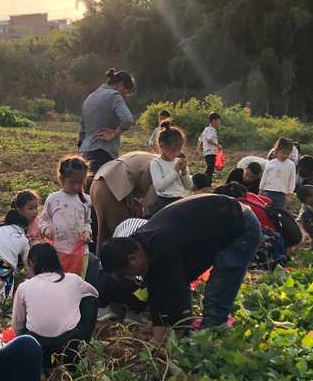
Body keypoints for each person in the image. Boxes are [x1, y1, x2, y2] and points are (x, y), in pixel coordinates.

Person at [98, 194, 261, 342]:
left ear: (132, 259)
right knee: (171, 292)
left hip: (240, 224)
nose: (131, 278)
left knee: (217, 293)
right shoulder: (143, 248)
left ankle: (209, 344)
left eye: (127, 274)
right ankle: (201, 340)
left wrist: (179, 335)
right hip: (215, 220)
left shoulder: (163, 247)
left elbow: (179, 293)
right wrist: (157, 341)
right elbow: (157, 297)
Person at [13, 243, 99, 368]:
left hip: (37, 347)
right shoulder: (74, 280)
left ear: (31, 263)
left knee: (26, 312)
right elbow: (94, 294)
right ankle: (81, 350)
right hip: (70, 347)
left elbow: (17, 325)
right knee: (89, 301)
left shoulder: (24, 287)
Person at [89, 150, 156, 245]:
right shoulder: (159, 166)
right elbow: (150, 204)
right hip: (112, 184)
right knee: (122, 240)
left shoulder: (150, 157)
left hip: (99, 179)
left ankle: (100, 259)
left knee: (103, 233)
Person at [78, 68, 136, 176]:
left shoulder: (90, 97)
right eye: (126, 92)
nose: (125, 97)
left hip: (84, 152)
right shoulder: (114, 96)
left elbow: (82, 128)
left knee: (87, 189)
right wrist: (114, 133)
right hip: (103, 152)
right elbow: (128, 119)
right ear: (121, 84)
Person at [40, 155, 92, 274]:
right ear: (62, 179)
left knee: (75, 281)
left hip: (79, 253)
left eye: (80, 182)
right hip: (57, 250)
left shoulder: (86, 200)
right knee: (56, 278)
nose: (77, 186)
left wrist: (87, 232)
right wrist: (46, 229)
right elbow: (44, 219)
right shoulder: (53, 199)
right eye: (73, 183)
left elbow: (87, 222)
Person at [149, 122, 190, 214]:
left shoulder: (179, 161)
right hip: (165, 202)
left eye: (179, 149)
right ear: (161, 145)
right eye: (173, 149)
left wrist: (184, 172)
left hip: (181, 200)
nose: (176, 153)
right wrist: (175, 171)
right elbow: (160, 186)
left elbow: (188, 186)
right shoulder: (156, 163)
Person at [259, 138, 297, 211]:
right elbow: (264, 177)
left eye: (288, 154)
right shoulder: (270, 163)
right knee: (265, 211)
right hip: (268, 191)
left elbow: (291, 180)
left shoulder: (291, 165)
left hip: (281, 194)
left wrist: (289, 194)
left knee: (278, 212)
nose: (285, 156)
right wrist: (261, 190)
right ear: (276, 151)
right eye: (283, 153)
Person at [195, 112, 222, 182]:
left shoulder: (206, 129)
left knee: (210, 167)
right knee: (210, 168)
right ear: (214, 121)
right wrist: (218, 145)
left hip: (206, 152)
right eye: (218, 120)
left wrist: (197, 149)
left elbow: (200, 139)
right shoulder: (212, 130)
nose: (219, 122)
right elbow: (209, 140)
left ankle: (206, 181)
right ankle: (206, 182)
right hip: (211, 152)